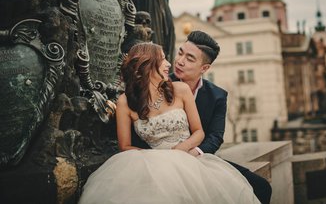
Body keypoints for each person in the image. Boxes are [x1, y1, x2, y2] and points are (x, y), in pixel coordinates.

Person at [79, 42, 260, 204]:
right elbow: (125, 146)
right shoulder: (125, 102)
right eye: (163, 60)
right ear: (145, 67)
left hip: (189, 159)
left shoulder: (180, 89)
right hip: (152, 163)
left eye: (167, 59)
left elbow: (200, 132)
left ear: (204, 67)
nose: (169, 64)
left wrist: (179, 151)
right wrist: (156, 158)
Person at [171, 30, 272, 204]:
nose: (180, 61)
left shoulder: (217, 96)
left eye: (190, 58)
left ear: (204, 68)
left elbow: (215, 137)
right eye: (180, 53)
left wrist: (194, 153)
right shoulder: (161, 85)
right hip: (167, 158)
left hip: (199, 157)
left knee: (261, 187)